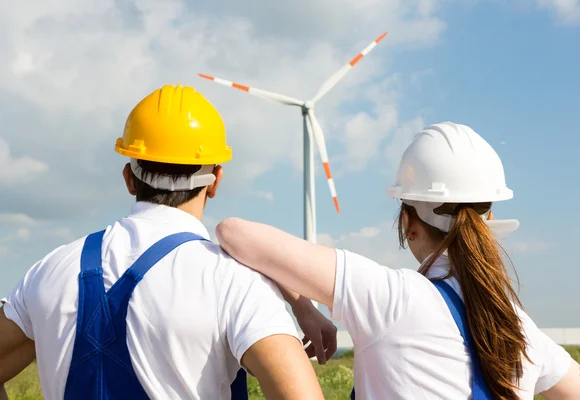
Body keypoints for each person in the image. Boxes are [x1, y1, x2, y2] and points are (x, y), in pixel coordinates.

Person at [215, 122, 580, 399]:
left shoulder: (393, 298)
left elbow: (235, 233)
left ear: (408, 223)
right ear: (491, 220)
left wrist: (304, 309)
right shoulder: (517, 327)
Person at [0, 84, 334, 400]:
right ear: (215, 180)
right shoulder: (234, 282)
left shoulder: (48, 271)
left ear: (129, 178)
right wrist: (301, 303)